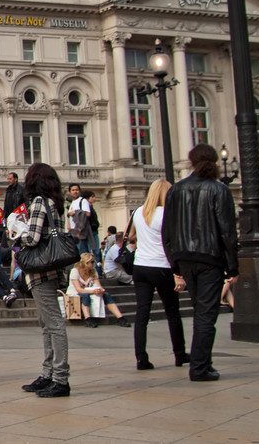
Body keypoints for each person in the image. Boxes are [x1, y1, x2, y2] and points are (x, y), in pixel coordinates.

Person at [162, 144, 238, 382]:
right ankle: (200, 367)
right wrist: (232, 263)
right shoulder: (219, 189)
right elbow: (227, 230)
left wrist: (174, 261)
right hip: (210, 257)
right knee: (207, 313)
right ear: (215, 162)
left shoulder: (176, 190)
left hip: (185, 257)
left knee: (200, 310)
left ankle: (201, 362)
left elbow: (167, 231)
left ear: (191, 162)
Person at [18, 162, 72, 398]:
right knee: (48, 322)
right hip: (54, 267)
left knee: (52, 323)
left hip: (40, 270)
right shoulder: (58, 204)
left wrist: (17, 234)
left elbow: (32, 237)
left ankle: (59, 377)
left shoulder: (39, 202)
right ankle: (48, 372)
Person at [127, 178, 188, 371]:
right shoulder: (167, 214)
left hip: (140, 266)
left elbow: (130, 237)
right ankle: (179, 354)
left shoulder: (138, 212)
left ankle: (141, 358)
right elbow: (174, 243)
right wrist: (179, 273)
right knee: (172, 312)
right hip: (162, 266)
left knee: (142, 313)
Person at [67, 252, 132, 328]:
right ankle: (88, 318)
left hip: (90, 291)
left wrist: (101, 290)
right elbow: (78, 289)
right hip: (75, 293)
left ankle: (120, 317)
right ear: (85, 263)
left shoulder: (93, 271)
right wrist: (93, 291)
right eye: (92, 262)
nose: (93, 264)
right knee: (85, 295)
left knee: (106, 295)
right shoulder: (75, 271)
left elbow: (98, 285)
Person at [67, 184, 93, 255]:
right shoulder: (72, 203)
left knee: (82, 253)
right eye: (73, 190)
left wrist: (75, 212)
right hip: (73, 231)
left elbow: (87, 214)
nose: (75, 192)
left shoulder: (82, 201)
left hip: (80, 232)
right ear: (70, 192)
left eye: (76, 190)